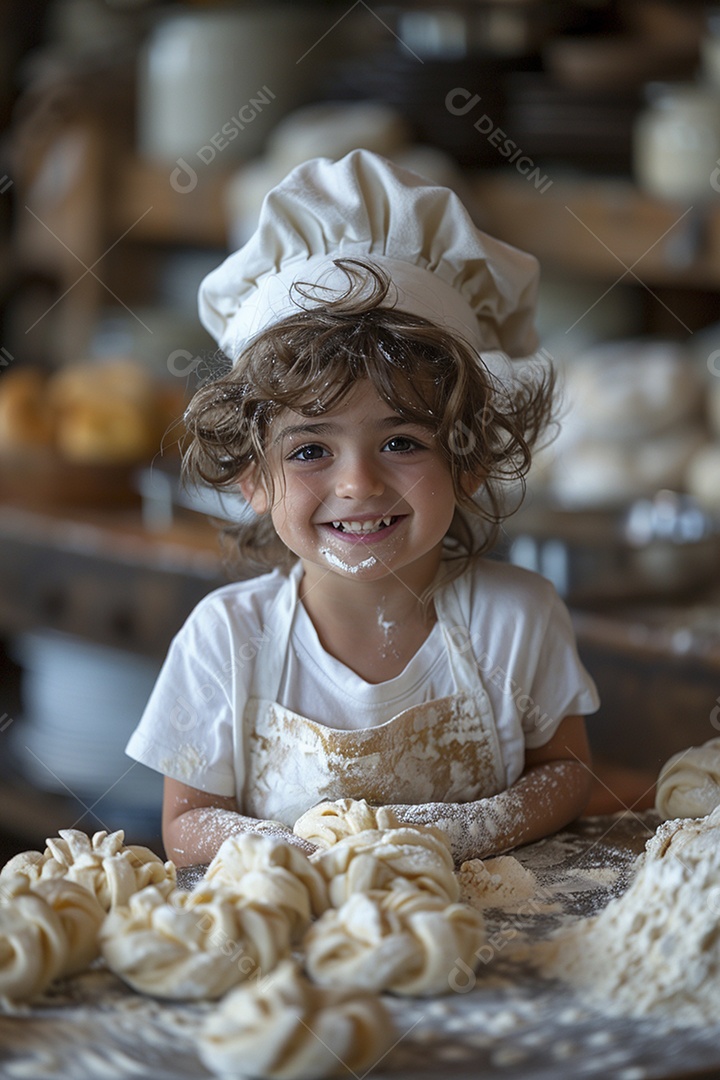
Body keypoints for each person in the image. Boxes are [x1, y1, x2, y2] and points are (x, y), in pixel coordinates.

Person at [126, 149, 599, 867]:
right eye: (311, 450)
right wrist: (307, 856)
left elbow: (566, 775)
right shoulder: (225, 643)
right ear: (253, 477)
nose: (357, 484)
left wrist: (459, 832)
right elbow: (188, 824)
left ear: (467, 459)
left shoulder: (517, 621)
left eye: (402, 441)